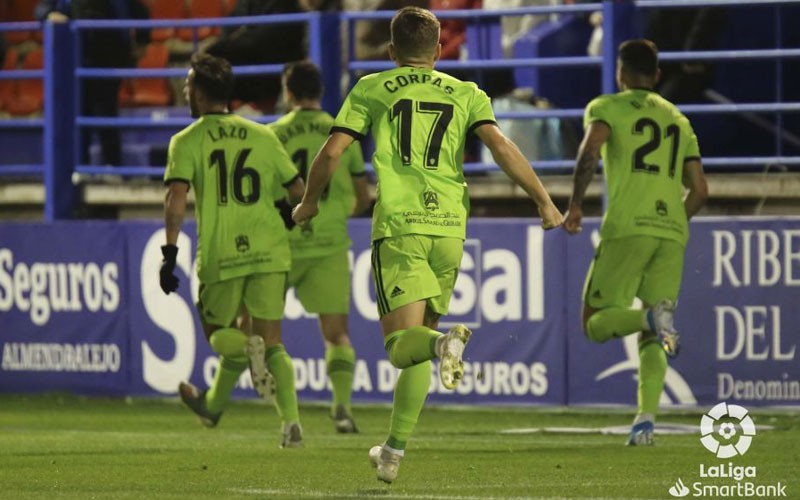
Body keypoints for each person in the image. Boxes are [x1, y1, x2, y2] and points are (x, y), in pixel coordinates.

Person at [292, 6, 562, 483]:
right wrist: (543, 201)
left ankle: (445, 342)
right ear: (439, 50)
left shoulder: (372, 86)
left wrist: (309, 202)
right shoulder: (467, 92)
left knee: (403, 346)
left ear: (392, 51)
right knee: (419, 349)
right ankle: (393, 452)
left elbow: (334, 150)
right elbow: (501, 145)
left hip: (401, 225)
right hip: (450, 228)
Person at [562, 39, 708, 446]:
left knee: (594, 322)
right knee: (655, 327)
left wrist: (575, 205)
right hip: (672, 231)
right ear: (657, 76)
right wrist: (673, 220)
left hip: (627, 227)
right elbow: (699, 189)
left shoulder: (606, 106)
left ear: (620, 73)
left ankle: (649, 319)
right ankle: (645, 421)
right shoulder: (679, 119)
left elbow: (590, 150)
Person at [159, 52, 306, 448]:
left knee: (218, 332)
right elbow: (299, 192)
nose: (186, 92)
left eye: (189, 86)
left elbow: (176, 198)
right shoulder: (263, 134)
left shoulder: (186, 141)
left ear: (201, 93)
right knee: (272, 340)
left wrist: (170, 254)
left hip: (222, 250)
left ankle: (245, 352)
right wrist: (288, 217)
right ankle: (289, 423)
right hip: (269, 247)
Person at [268, 60, 371, 433]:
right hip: (329, 243)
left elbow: (268, 192)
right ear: (322, 92)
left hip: (283, 244)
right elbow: (362, 195)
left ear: (289, 92)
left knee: (259, 329)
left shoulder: (274, 134)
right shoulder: (344, 131)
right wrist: (338, 214)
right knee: (336, 334)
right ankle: (342, 406)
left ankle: (284, 414)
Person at [36, 0, 149, 166]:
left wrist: (142, 40)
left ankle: (112, 167)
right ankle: (79, 168)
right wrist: (48, 14)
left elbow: (140, 10)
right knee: (78, 113)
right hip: (74, 58)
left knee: (105, 112)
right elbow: (42, 9)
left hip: (108, 58)